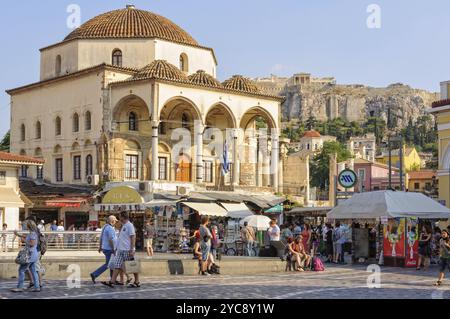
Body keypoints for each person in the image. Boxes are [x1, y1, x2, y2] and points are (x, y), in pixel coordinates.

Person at [102, 211, 140, 288]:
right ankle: (112, 282)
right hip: (120, 250)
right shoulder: (123, 225)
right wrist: (116, 248)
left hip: (127, 250)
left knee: (132, 266)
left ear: (123, 217)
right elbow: (121, 238)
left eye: (119, 216)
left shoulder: (129, 225)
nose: (119, 218)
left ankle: (137, 281)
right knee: (117, 265)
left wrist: (132, 249)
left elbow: (133, 237)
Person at [10, 219, 40, 293]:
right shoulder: (32, 233)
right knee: (33, 271)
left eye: (26, 225)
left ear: (29, 226)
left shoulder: (32, 234)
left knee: (21, 270)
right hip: (33, 255)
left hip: (30, 255)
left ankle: (20, 287)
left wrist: (24, 240)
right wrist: (18, 235)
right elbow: (26, 237)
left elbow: (32, 243)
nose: (24, 226)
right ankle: (37, 287)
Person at [90, 215, 118, 284]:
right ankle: (94, 274)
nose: (115, 222)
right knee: (108, 264)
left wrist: (100, 247)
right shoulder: (110, 228)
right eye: (115, 221)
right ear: (112, 221)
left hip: (105, 248)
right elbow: (111, 240)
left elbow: (101, 237)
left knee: (112, 264)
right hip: (109, 249)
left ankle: (112, 279)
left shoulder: (105, 227)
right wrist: (113, 249)